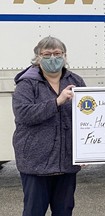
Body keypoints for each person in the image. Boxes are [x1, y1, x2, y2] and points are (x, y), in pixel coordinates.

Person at [12, 36, 86, 216]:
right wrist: (57, 102)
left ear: (65, 56)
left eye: (57, 53)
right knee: (34, 211)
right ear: (38, 58)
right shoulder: (26, 84)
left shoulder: (76, 81)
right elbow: (24, 114)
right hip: (36, 163)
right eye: (47, 54)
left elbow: (86, 119)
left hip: (66, 162)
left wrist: (85, 151)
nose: (53, 58)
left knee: (64, 211)